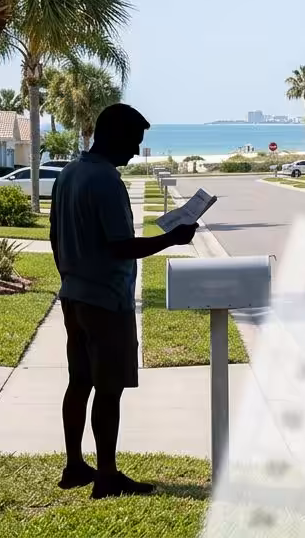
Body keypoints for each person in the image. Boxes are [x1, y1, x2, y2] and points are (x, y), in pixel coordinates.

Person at [50, 103, 198, 499]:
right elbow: (120, 246)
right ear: (112, 135)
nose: (135, 151)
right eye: (133, 141)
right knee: (108, 388)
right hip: (106, 300)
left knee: (79, 381)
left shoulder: (68, 174)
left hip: (73, 295)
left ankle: (74, 466)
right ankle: (107, 476)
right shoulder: (106, 181)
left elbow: (54, 236)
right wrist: (173, 238)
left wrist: (68, 276)